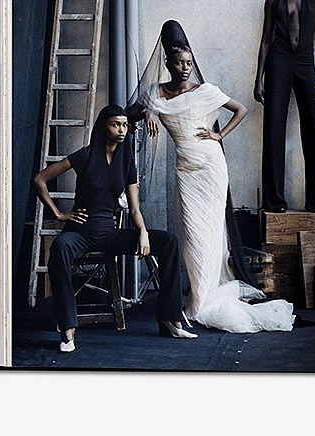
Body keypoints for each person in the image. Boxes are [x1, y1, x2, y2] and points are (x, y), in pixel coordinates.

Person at [129, 20, 296, 333]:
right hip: (186, 170)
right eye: (179, 63)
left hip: (211, 168)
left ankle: (201, 300)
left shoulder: (204, 91)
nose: (185, 68)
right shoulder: (155, 93)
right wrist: (150, 110)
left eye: (189, 63)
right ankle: (199, 295)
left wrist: (219, 135)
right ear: (167, 63)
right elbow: (128, 114)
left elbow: (240, 109)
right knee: (192, 236)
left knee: (210, 235)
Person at [33, 104, 196, 353]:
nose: (121, 130)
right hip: (80, 233)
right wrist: (59, 214)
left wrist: (142, 232)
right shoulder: (85, 155)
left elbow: (134, 209)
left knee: (169, 242)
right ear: (103, 127)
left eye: (124, 125)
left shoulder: (126, 162)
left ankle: (170, 320)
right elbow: (40, 179)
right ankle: (67, 331)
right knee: (59, 248)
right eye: (115, 125)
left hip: (109, 234)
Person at [253, 0, 315, 213]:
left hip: (306, 62)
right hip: (279, 60)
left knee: (313, 129)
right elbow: (265, 40)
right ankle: (275, 201)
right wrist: (259, 78)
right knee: (274, 128)